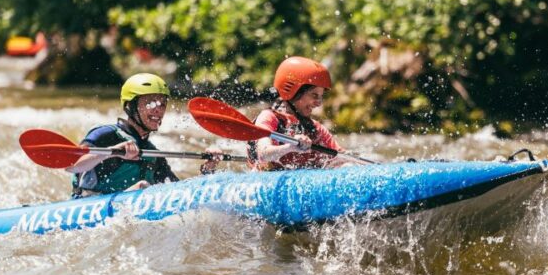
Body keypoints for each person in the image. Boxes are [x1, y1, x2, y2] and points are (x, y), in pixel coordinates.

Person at [67, 73, 221, 197]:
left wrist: (207, 171)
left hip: (124, 208)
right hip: (88, 204)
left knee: (145, 187)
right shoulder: (105, 135)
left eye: (162, 104)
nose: (158, 110)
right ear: (130, 106)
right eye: (151, 103)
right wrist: (113, 151)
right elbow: (72, 166)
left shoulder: (153, 154)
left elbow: (178, 194)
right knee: (143, 186)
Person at [247, 56, 352, 170]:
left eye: (321, 97)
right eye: (314, 95)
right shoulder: (269, 118)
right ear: (293, 92)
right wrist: (290, 147)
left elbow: (341, 156)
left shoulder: (316, 128)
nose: (318, 103)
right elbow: (263, 154)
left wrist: (349, 160)